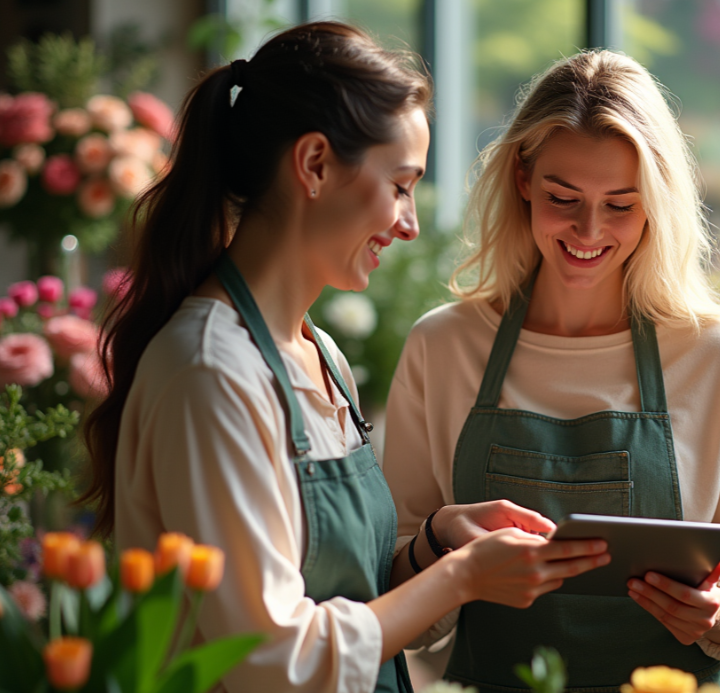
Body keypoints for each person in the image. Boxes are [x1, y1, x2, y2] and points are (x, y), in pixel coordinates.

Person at [80, 23, 610, 693]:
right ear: (315, 164)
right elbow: (271, 658)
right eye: (400, 185)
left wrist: (435, 545)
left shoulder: (317, 353)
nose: (410, 223)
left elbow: (351, 599)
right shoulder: (211, 372)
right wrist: (462, 577)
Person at [383, 49, 720, 692]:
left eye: (621, 205)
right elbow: (395, 590)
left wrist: (719, 612)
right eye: (562, 197)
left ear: (656, 202)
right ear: (521, 177)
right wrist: (438, 544)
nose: (588, 230)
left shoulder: (715, 356)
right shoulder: (444, 346)